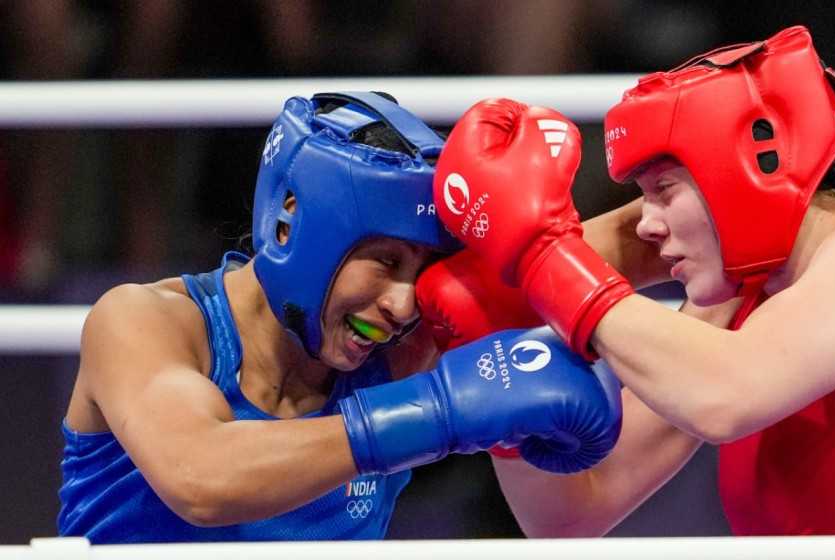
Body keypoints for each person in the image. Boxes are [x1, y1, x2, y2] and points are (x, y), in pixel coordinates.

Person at [419, 26, 835, 535]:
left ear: (752, 166)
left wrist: (538, 257)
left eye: (663, 190)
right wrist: (500, 321)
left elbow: (723, 395)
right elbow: (572, 513)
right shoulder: (741, 300)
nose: (650, 226)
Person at [57, 91, 622, 543]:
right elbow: (199, 476)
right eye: (384, 260)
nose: (403, 305)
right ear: (290, 224)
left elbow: (618, 246)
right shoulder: (145, 324)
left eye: (421, 269)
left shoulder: (403, 346)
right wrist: (439, 414)